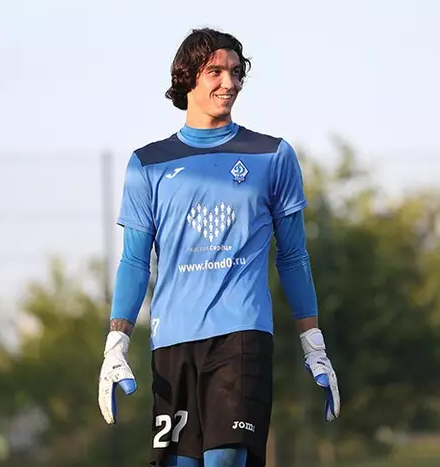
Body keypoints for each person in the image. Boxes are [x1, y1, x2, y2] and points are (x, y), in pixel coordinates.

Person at [98, 27, 340, 467]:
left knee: (226, 458)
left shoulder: (272, 156)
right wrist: (116, 342)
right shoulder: (147, 164)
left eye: (236, 72)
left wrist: (313, 341)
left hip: (241, 333)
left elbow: (293, 256)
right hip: (172, 339)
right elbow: (134, 261)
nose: (229, 83)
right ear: (187, 76)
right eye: (216, 72)